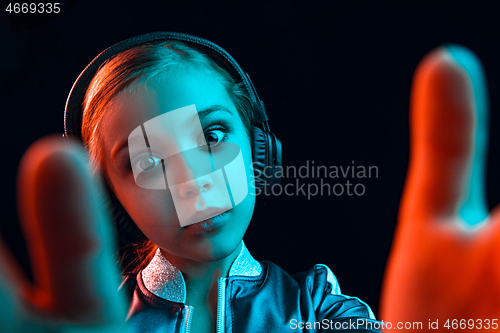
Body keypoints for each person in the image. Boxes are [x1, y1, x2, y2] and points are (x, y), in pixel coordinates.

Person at [1, 33, 499, 333]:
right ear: (112, 201)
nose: (192, 181)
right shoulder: (100, 327)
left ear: (261, 150)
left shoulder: (316, 306)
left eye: (212, 135)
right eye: (148, 161)